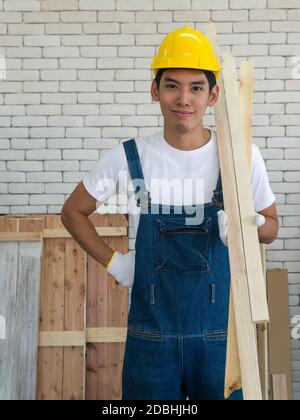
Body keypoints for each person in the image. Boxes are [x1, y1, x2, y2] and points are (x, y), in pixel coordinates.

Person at [61, 26, 279, 400]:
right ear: (155, 90)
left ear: (212, 95)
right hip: (150, 342)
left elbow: (272, 227)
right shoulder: (131, 158)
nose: (183, 98)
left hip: (220, 343)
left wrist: (248, 227)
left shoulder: (240, 156)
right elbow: (73, 212)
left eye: (196, 87)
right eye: (172, 85)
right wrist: (116, 263)